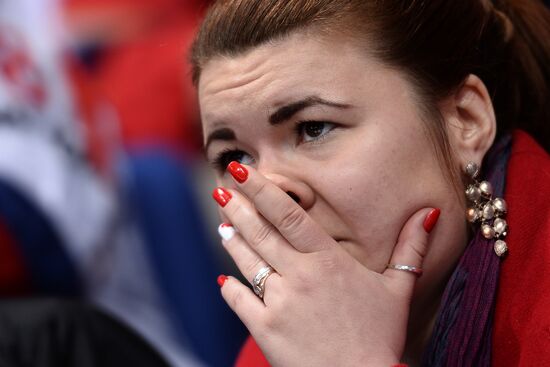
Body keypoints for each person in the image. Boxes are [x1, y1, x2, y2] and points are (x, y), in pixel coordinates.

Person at [190, 0, 550, 366]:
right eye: (234, 158)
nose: (267, 189)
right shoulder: (283, 342)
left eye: (314, 128)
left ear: (465, 121)